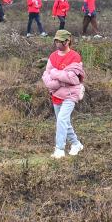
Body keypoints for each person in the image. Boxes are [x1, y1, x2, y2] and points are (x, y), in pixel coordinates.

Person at [41, 30, 85, 158]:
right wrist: (60, 78)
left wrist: (55, 74)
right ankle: (76, 144)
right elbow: (46, 76)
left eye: (60, 41)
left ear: (67, 41)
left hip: (71, 94)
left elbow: (72, 78)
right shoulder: (53, 56)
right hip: (56, 94)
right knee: (63, 121)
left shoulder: (75, 57)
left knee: (61, 119)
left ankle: (59, 149)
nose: (57, 43)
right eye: (56, 41)